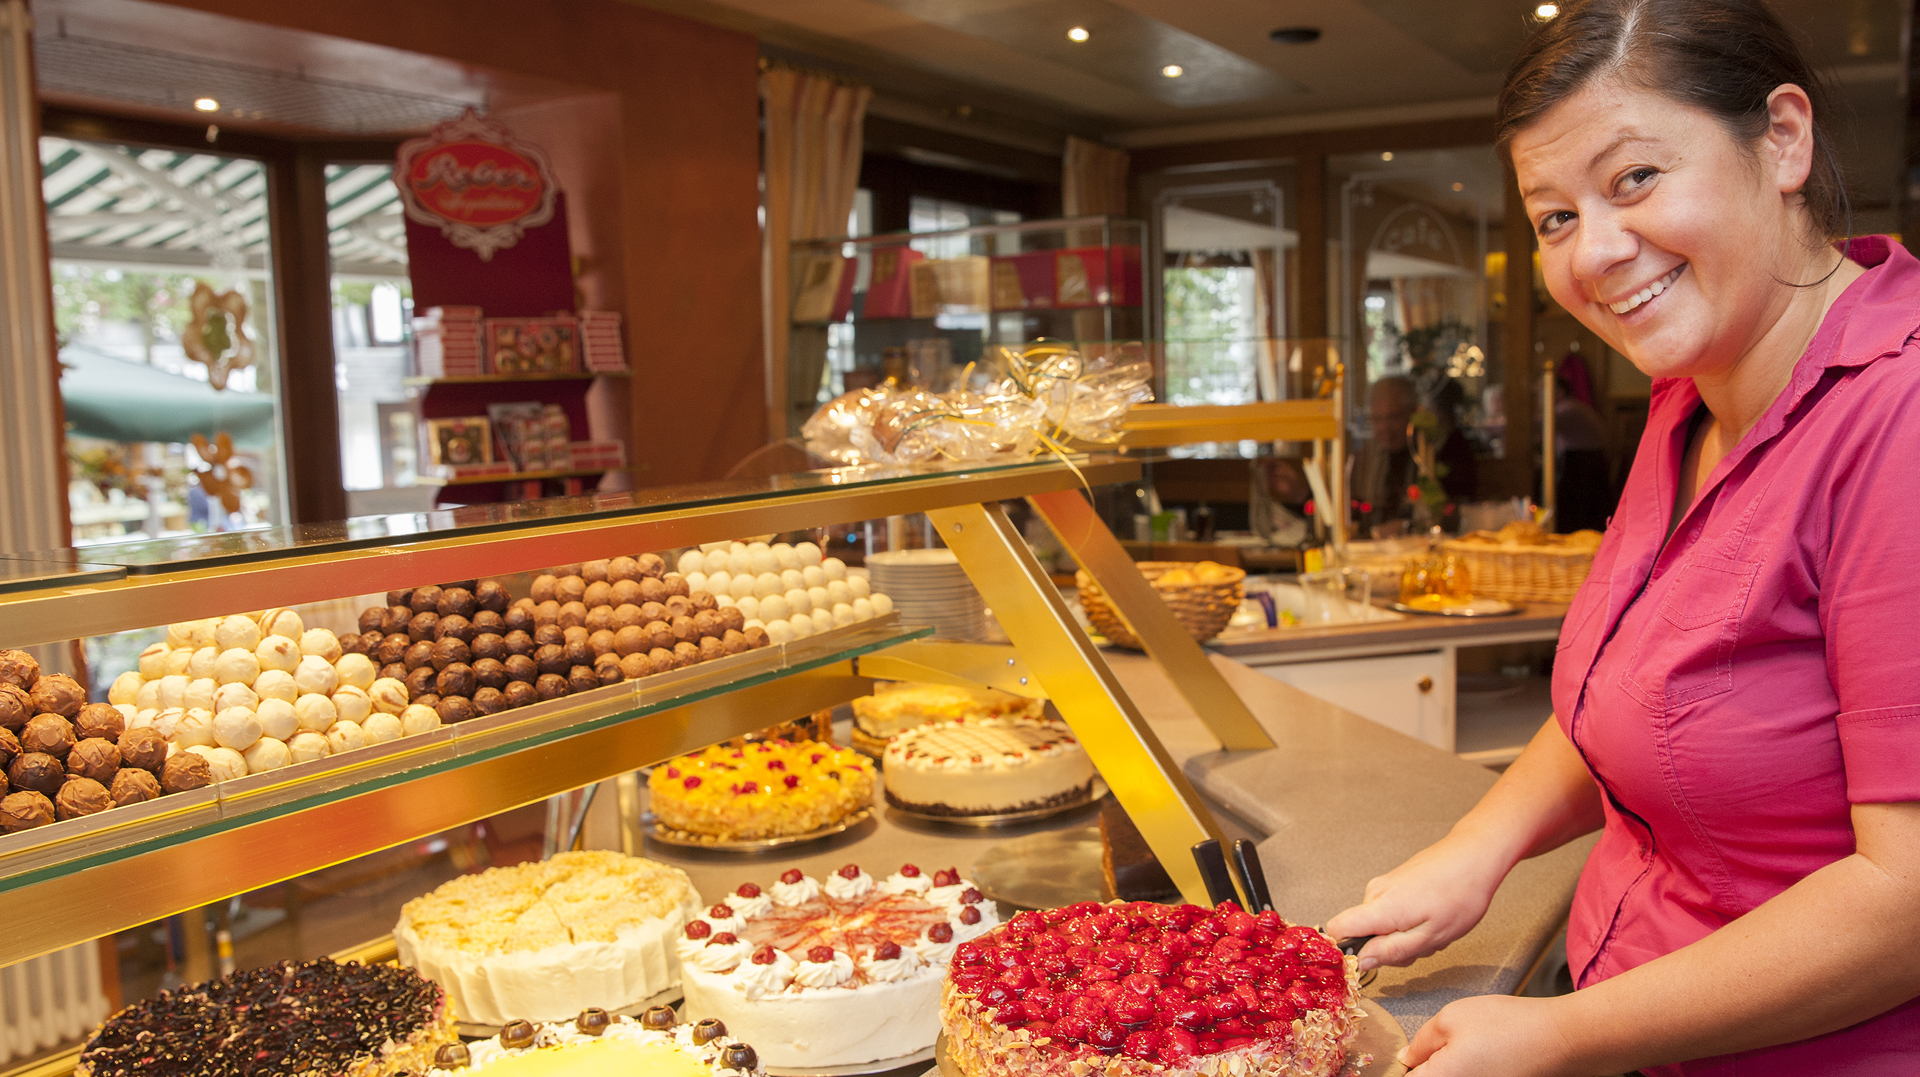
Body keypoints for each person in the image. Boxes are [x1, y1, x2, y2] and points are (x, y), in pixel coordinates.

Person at [1324, 2, 1920, 1074]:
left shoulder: (1902, 418)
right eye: (1553, 217)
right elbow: (1629, 695)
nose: (1593, 253)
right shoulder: (1690, 394)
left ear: (1782, 138)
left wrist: (1562, 1034)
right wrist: (1475, 853)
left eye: (1634, 178)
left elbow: (1909, 897)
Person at [1349, 375, 1479, 533]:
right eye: (1377, 420)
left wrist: (1408, 526)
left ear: (1414, 412)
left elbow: (1461, 512)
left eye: (1393, 417)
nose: (1385, 428)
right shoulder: (1365, 458)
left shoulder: (1445, 448)